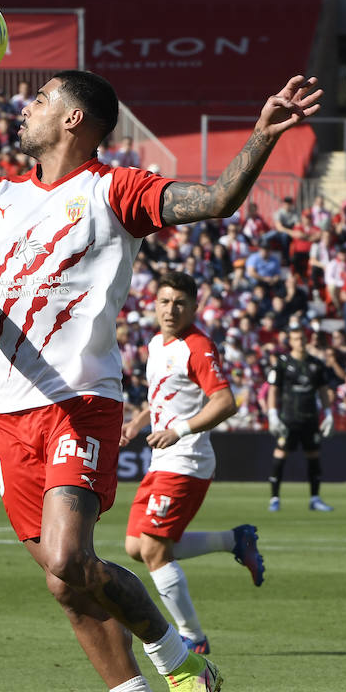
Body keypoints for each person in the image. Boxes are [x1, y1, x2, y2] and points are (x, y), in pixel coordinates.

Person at [0, 69, 321, 692]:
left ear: (75, 118)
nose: (27, 107)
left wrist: (264, 134)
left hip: (80, 406)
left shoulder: (115, 191)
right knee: (63, 583)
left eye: (40, 99)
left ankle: (181, 663)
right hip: (7, 414)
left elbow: (212, 202)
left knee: (73, 558)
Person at [119, 271, 265, 656]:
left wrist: (180, 430)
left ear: (194, 307)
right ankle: (235, 540)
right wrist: (138, 421)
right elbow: (166, 395)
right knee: (136, 546)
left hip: (187, 458)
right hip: (164, 456)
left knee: (153, 548)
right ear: (154, 304)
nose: (171, 309)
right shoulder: (156, 344)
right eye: (165, 302)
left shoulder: (197, 347)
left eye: (180, 303)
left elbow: (225, 402)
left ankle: (193, 638)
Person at [266, 325, 337, 512]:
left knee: (314, 456)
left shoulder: (316, 364)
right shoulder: (282, 363)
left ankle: (315, 498)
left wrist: (328, 414)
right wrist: (272, 414)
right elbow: (273, 390)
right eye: (297, 339)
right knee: (281, 453)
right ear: (290, 342)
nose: (301, 342)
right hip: (289, 418)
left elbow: (323, 391)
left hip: (310, 418)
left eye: (303, 339)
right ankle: (274, 498)